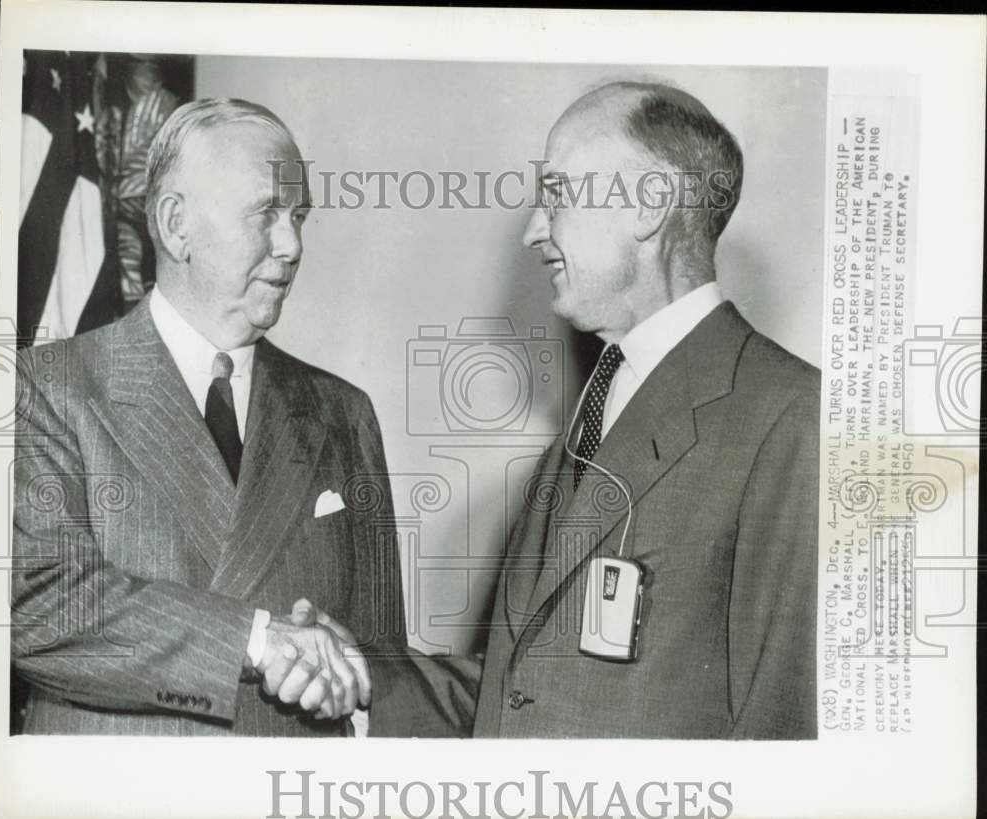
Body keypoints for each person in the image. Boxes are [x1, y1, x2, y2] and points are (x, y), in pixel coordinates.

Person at [305, 80, 819, 739]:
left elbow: (781, 738)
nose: (532, 231)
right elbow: (524, 692)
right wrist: (364, 673)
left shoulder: (791, 418)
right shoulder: (596, 412)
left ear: (650, 203)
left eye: (559, 195)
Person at [11, 99, 401, 736]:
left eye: (299, 216)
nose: (293, 243)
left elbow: (385, 659)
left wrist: (356, 678)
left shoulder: (342, 413)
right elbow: (38, 606)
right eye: (266, 213)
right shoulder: (46, 388)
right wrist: (254, 641)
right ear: (175, 224)